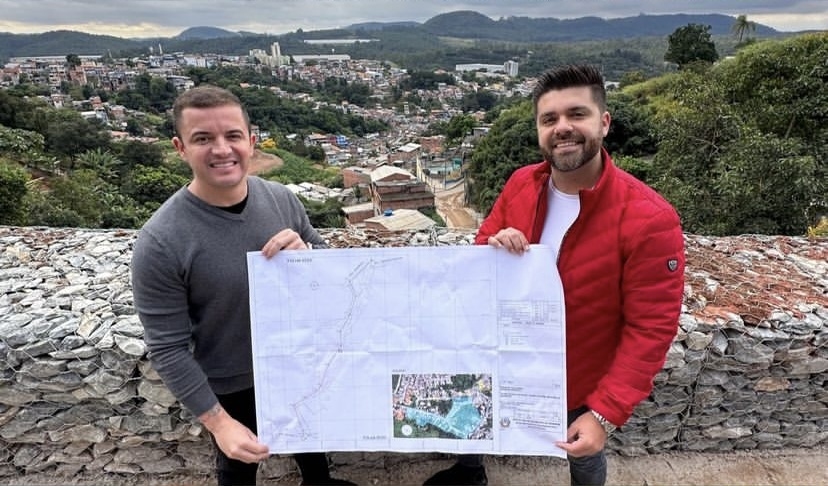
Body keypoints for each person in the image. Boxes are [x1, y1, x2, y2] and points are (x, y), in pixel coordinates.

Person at [423, 64, 685, 486]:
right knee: (472, 415)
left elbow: (651, 328)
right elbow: (480, 253)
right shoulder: (521, 183)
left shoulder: (649, 219)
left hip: (579, 376)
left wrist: (604, 413)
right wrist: (495, 246)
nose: (562, 127)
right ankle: (470, 473)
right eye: (549, 119)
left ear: (604, 122)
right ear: (539, 130)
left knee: (584, 453)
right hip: (504, 354)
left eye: (576, 114)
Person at [131, 85, 356, 486]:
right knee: (237, 467)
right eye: (203, 138)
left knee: (313, 452)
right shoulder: (161, 241)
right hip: (231, 383)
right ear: (180, 148)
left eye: (232, 135)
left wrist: (307, 254)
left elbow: (330, 271)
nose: (222, 149)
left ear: (251, 142)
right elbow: (167, 347)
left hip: (298, 364)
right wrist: (219, 423)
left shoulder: (283, 200)